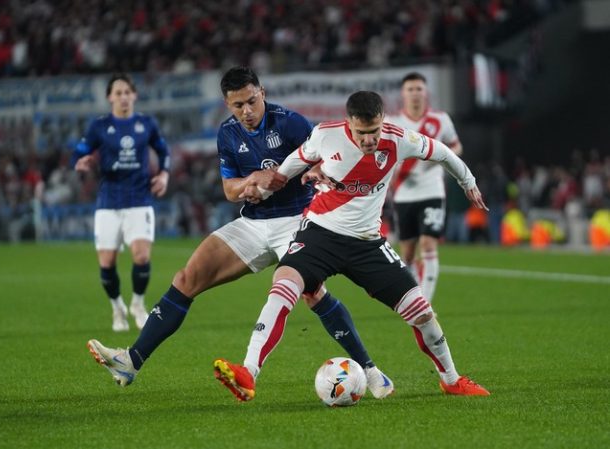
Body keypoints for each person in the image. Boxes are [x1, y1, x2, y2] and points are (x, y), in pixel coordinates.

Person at [85, 67, 394, 401]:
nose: (246, 111)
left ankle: (372, 372)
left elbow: (325, 161)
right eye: (237, 105)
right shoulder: (228, 133)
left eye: (251, 101)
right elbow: (230, 191)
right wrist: (251, 182)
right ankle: (132, 360)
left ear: (262, 92)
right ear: (227, 104)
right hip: (253, 223)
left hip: (299, 221)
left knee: (313, 293)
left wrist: (306, 174)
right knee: (188, 277)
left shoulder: (290, 122)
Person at [215, 91, 490, 398]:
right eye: (361, 133)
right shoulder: (325, 135)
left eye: (374, 132)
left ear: (382, 121)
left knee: (422, 312)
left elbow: (443, 153)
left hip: (367, 244)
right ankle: (248, 373)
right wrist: (265, 190)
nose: (369, 139)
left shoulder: (400, 139)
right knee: (284, 284)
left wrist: (468, 182)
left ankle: (451, 379)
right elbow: (288, 168)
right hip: (319, 234)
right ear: (349, 123)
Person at [72, 73, 171, 332]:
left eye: (127, 92)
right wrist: (81, 161)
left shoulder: (146, 124)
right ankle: (117, 308)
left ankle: (137, 303)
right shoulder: (99, 126)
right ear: (109, 98)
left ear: (134, 95)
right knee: (107, 263)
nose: (123, 97)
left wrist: (164, 174)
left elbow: (163, 150)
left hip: (139, 198)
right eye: (118, 93)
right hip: (109, 201)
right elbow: (81, 150)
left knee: (141, 256)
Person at [386, 72, 463, 303]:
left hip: (432, 190)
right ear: (403, 93)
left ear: (425, 92)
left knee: (429, 243)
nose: (415, 93)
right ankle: (412, 296)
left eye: (419, 89)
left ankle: (425, 304)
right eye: (410, 89)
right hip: (404, 192)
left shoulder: (440, 120)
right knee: (407, 252)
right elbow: (383, 156)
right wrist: (392, 167)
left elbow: (456, 146)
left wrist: (441, 158)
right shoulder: (391, 123)